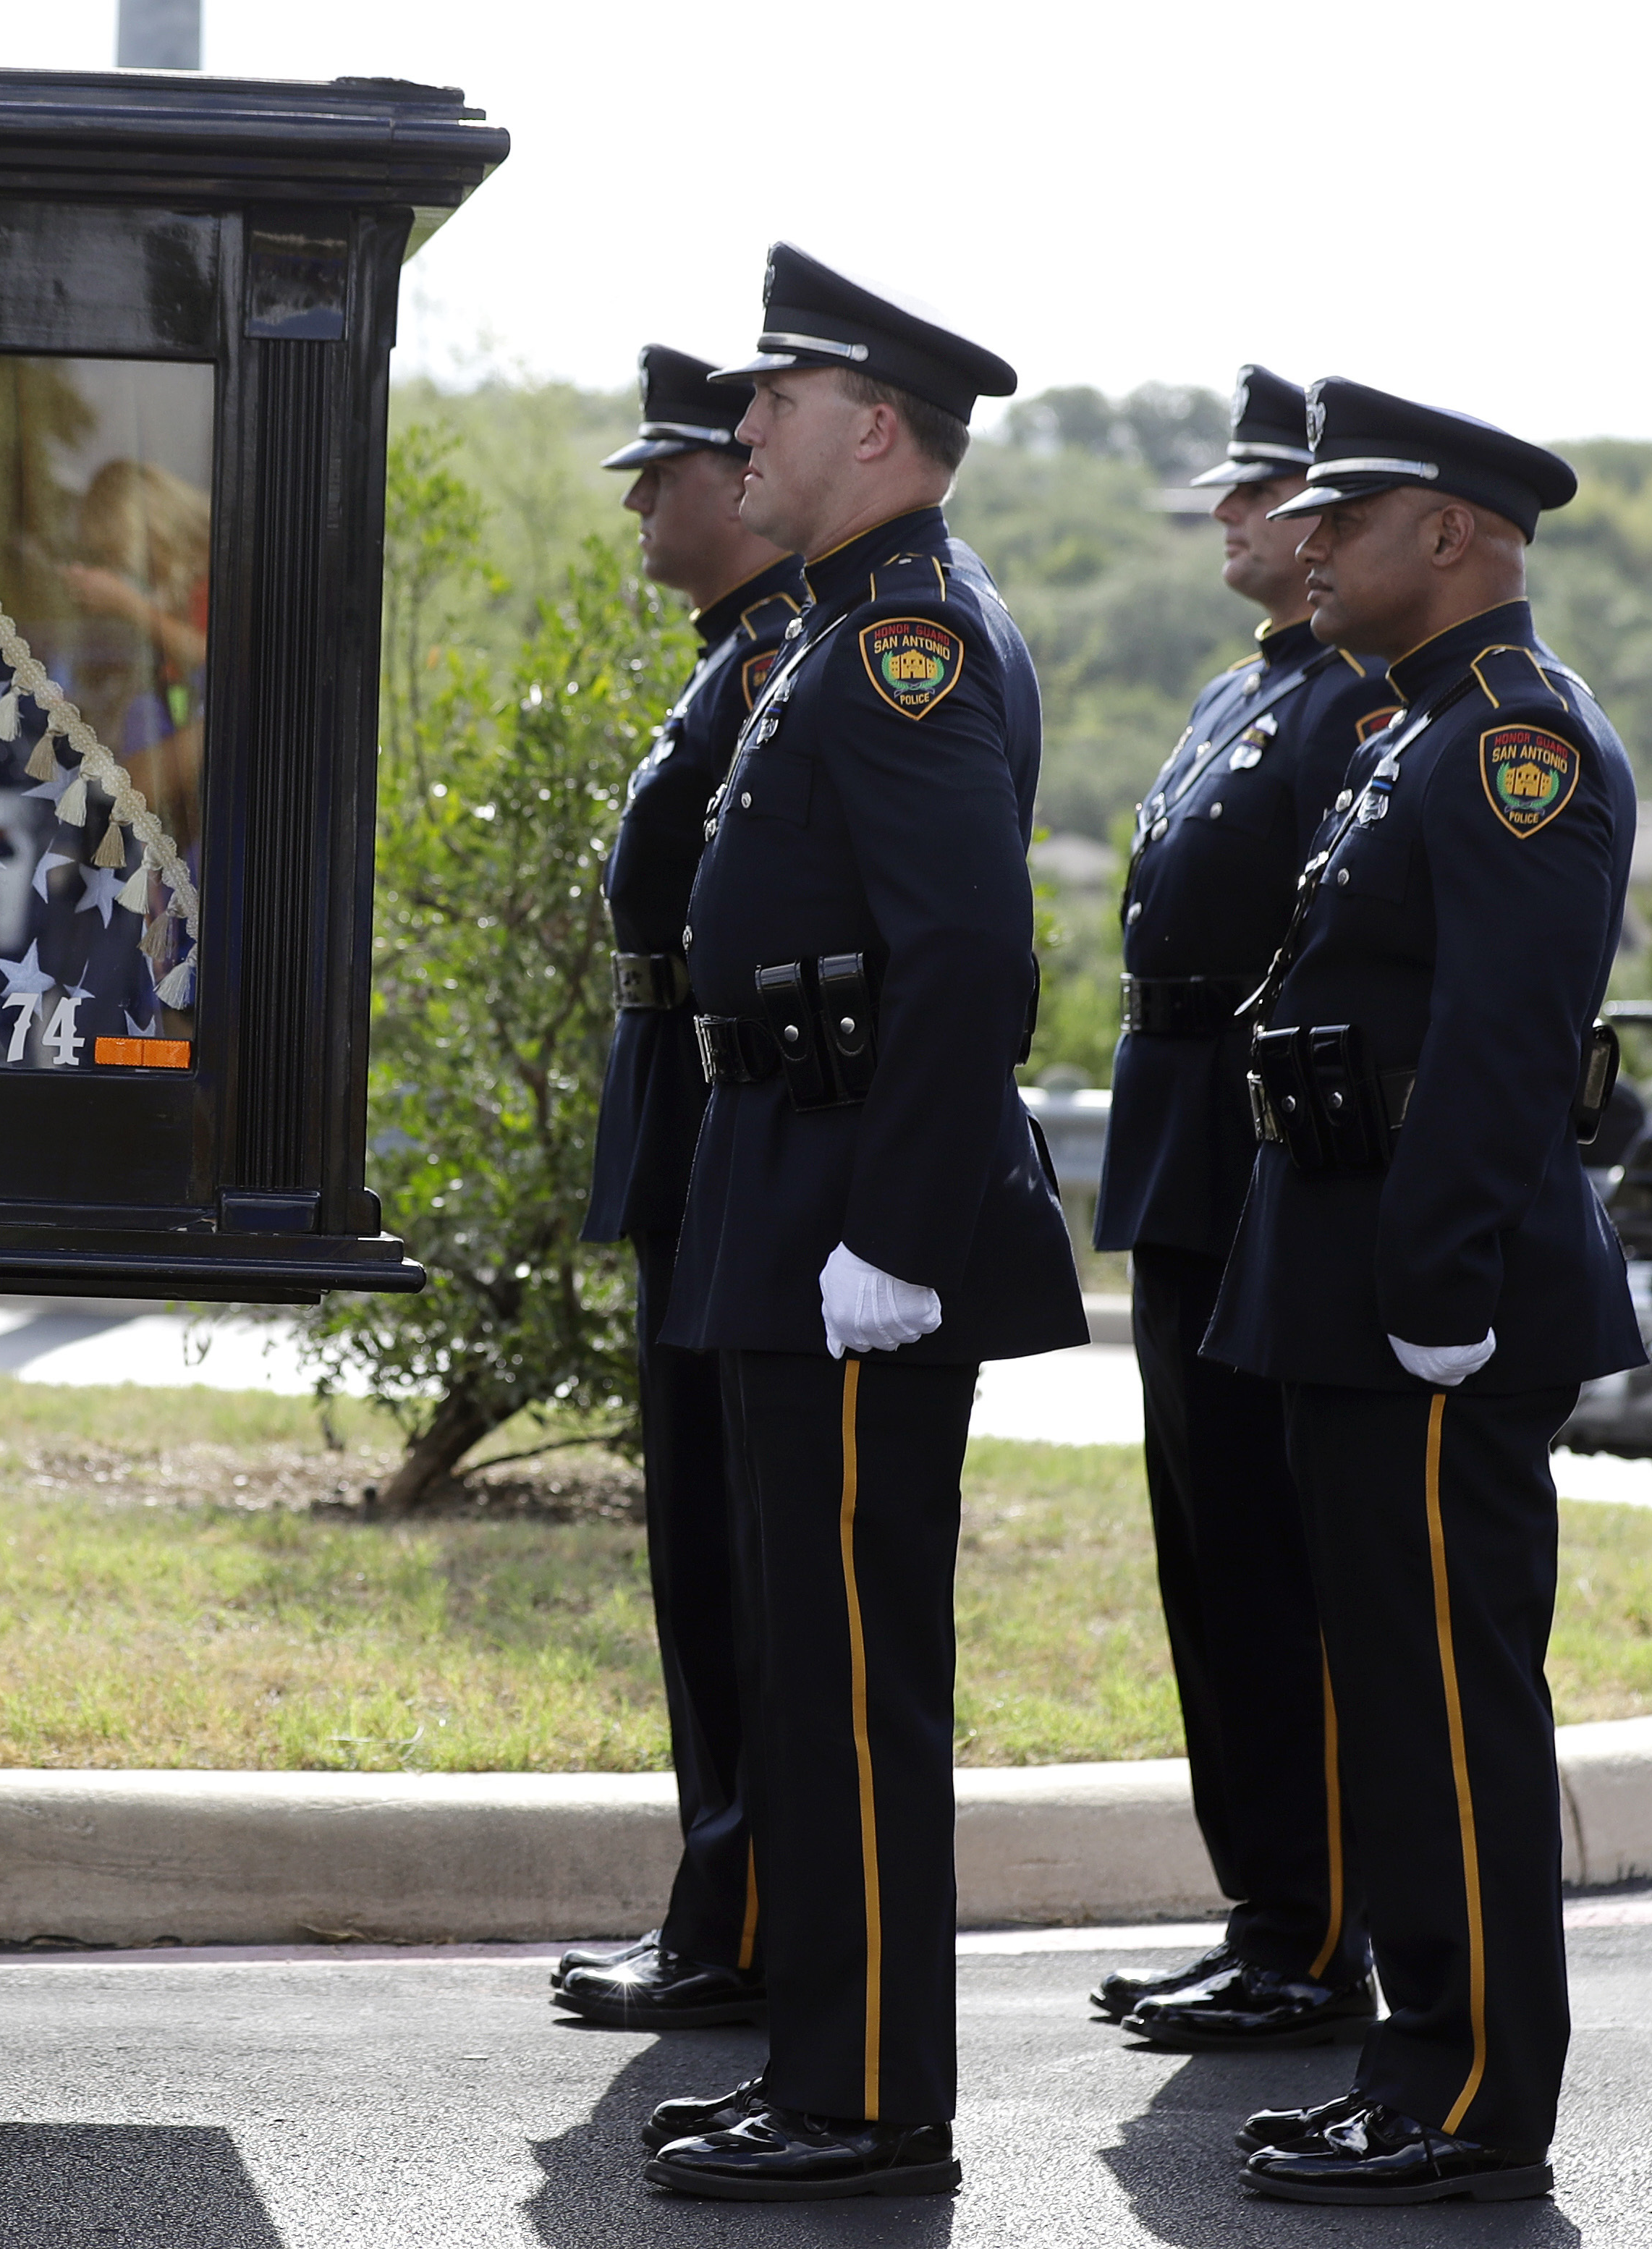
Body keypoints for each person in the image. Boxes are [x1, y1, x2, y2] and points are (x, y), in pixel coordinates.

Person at [636, 243, 1088, 2203]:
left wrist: (896, 1237)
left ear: (875, 426)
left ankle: (871, 2096)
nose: (741, 426)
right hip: (779, 1182)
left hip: (847, 1211)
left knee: (843, 1680)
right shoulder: (835, 624)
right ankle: (824, 2067)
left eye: (776, 398)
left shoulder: (910, 633)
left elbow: (967, 953)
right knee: (794, 1668)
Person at [1200, 377, 1643, 2206]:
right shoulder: (1413, 731)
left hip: (1428, 1298)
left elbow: (1500, 1044)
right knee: (1389, 1699)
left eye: (1345, 514)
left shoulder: (1514, 742)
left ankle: (1470, 2100)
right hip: (1355, 1278)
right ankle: (1415, 2062)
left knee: (1451, 1705)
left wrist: (1436, 1284)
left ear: (1451, 532)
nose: (1306, 542)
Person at [1085, 365, 1394, 2050]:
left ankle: (1316, 1926)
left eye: (1256, 493)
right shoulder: (1247, 690)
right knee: (1209, 1561)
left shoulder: (1357, 699)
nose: (1224, 514)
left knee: (1279, 1563)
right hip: (1183, 1153)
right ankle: (1267, 1905)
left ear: (1325, 521)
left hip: (1264, 1154)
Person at [547, 345, 805, 2032]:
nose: (641, 500)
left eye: (666, 471)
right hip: (682, 1128)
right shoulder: (735, 661)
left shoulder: (786, 657)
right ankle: (719, 1900)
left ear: (744, 480)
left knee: (737, 1564)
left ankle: (748, 1918)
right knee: (697, 1563)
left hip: (735, 1140)